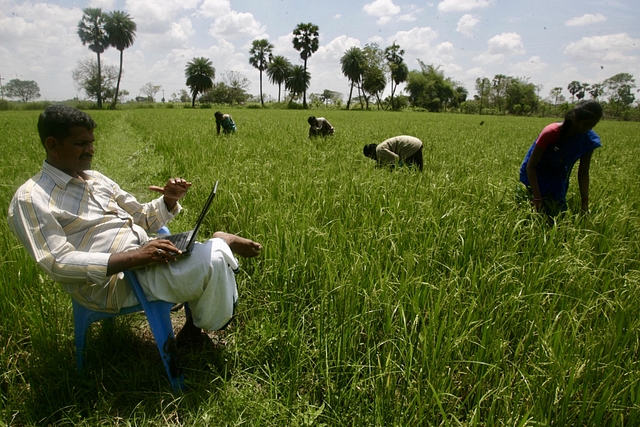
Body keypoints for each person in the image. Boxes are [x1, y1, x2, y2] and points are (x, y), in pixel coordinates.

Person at [8, 105, 262, 345]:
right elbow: (58, 264)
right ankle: (197, 320)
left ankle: (194, 321)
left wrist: (169, 198)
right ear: (53, 145)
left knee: (204, 254)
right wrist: (135, 258)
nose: (90, 150)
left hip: (145, 258)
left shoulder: (95, 179)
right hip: (113, 282)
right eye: (81, 144)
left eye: (91, 142)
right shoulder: (32, 198)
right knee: (215, 258)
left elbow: (142, 217)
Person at [519, 100, 603, 216]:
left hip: (557, 174)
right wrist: (537, 198)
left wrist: (585, 202)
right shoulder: (551, 132)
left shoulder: (588, 139)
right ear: (575, 119)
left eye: (592, 125)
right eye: (585, 124)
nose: (588, 129)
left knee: (558, 211)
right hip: (535, 172)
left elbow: (583, 172)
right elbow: (531, 166)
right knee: (529, 205)